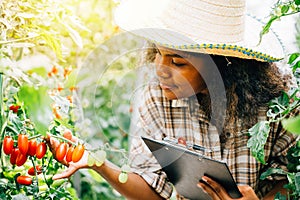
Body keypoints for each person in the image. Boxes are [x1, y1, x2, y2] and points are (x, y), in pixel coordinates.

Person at [49, 0, 299, 199]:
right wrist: (98, 164)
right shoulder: (157, 98)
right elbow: (153, 190)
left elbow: (292, 178)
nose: (160, 69)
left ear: (223, 65)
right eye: (158, 53)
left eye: (178, 62)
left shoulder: (278, 103)